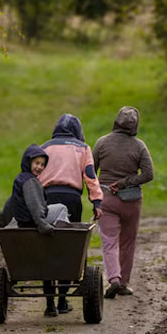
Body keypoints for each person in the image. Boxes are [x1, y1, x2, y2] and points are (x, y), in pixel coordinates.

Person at [39, 113, 104, 316]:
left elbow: (34, 176)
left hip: (46, 199)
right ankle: (62, 300)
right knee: (68, 247)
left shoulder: (44, 147)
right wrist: (96, 202)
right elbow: (91, 177)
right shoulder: (83, 148)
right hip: (71, 199)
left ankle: (49, 304)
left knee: (46, 246)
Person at [93, 106, 154, 299]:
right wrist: (126, 182)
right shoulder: (139, 146)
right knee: (128, 242)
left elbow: (91, 171)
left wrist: (95, 194)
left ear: (116, 122)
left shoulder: (101, 143)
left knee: (109, 242)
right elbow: (148, 174)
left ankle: (114, 280)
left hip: (106, 199)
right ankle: (124, 284)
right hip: (131, 201)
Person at [0, 144, 70, 234]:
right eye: (37, 163)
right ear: (28, 162)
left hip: (24, 221)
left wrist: (0, 223)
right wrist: (42, 225)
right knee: (61, 208)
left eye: (42, 165)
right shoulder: (30, 182)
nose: (39, 167)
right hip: (33, 221)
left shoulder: (21, 178)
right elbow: (35, 205)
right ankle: (60, 236)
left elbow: (11, 202)